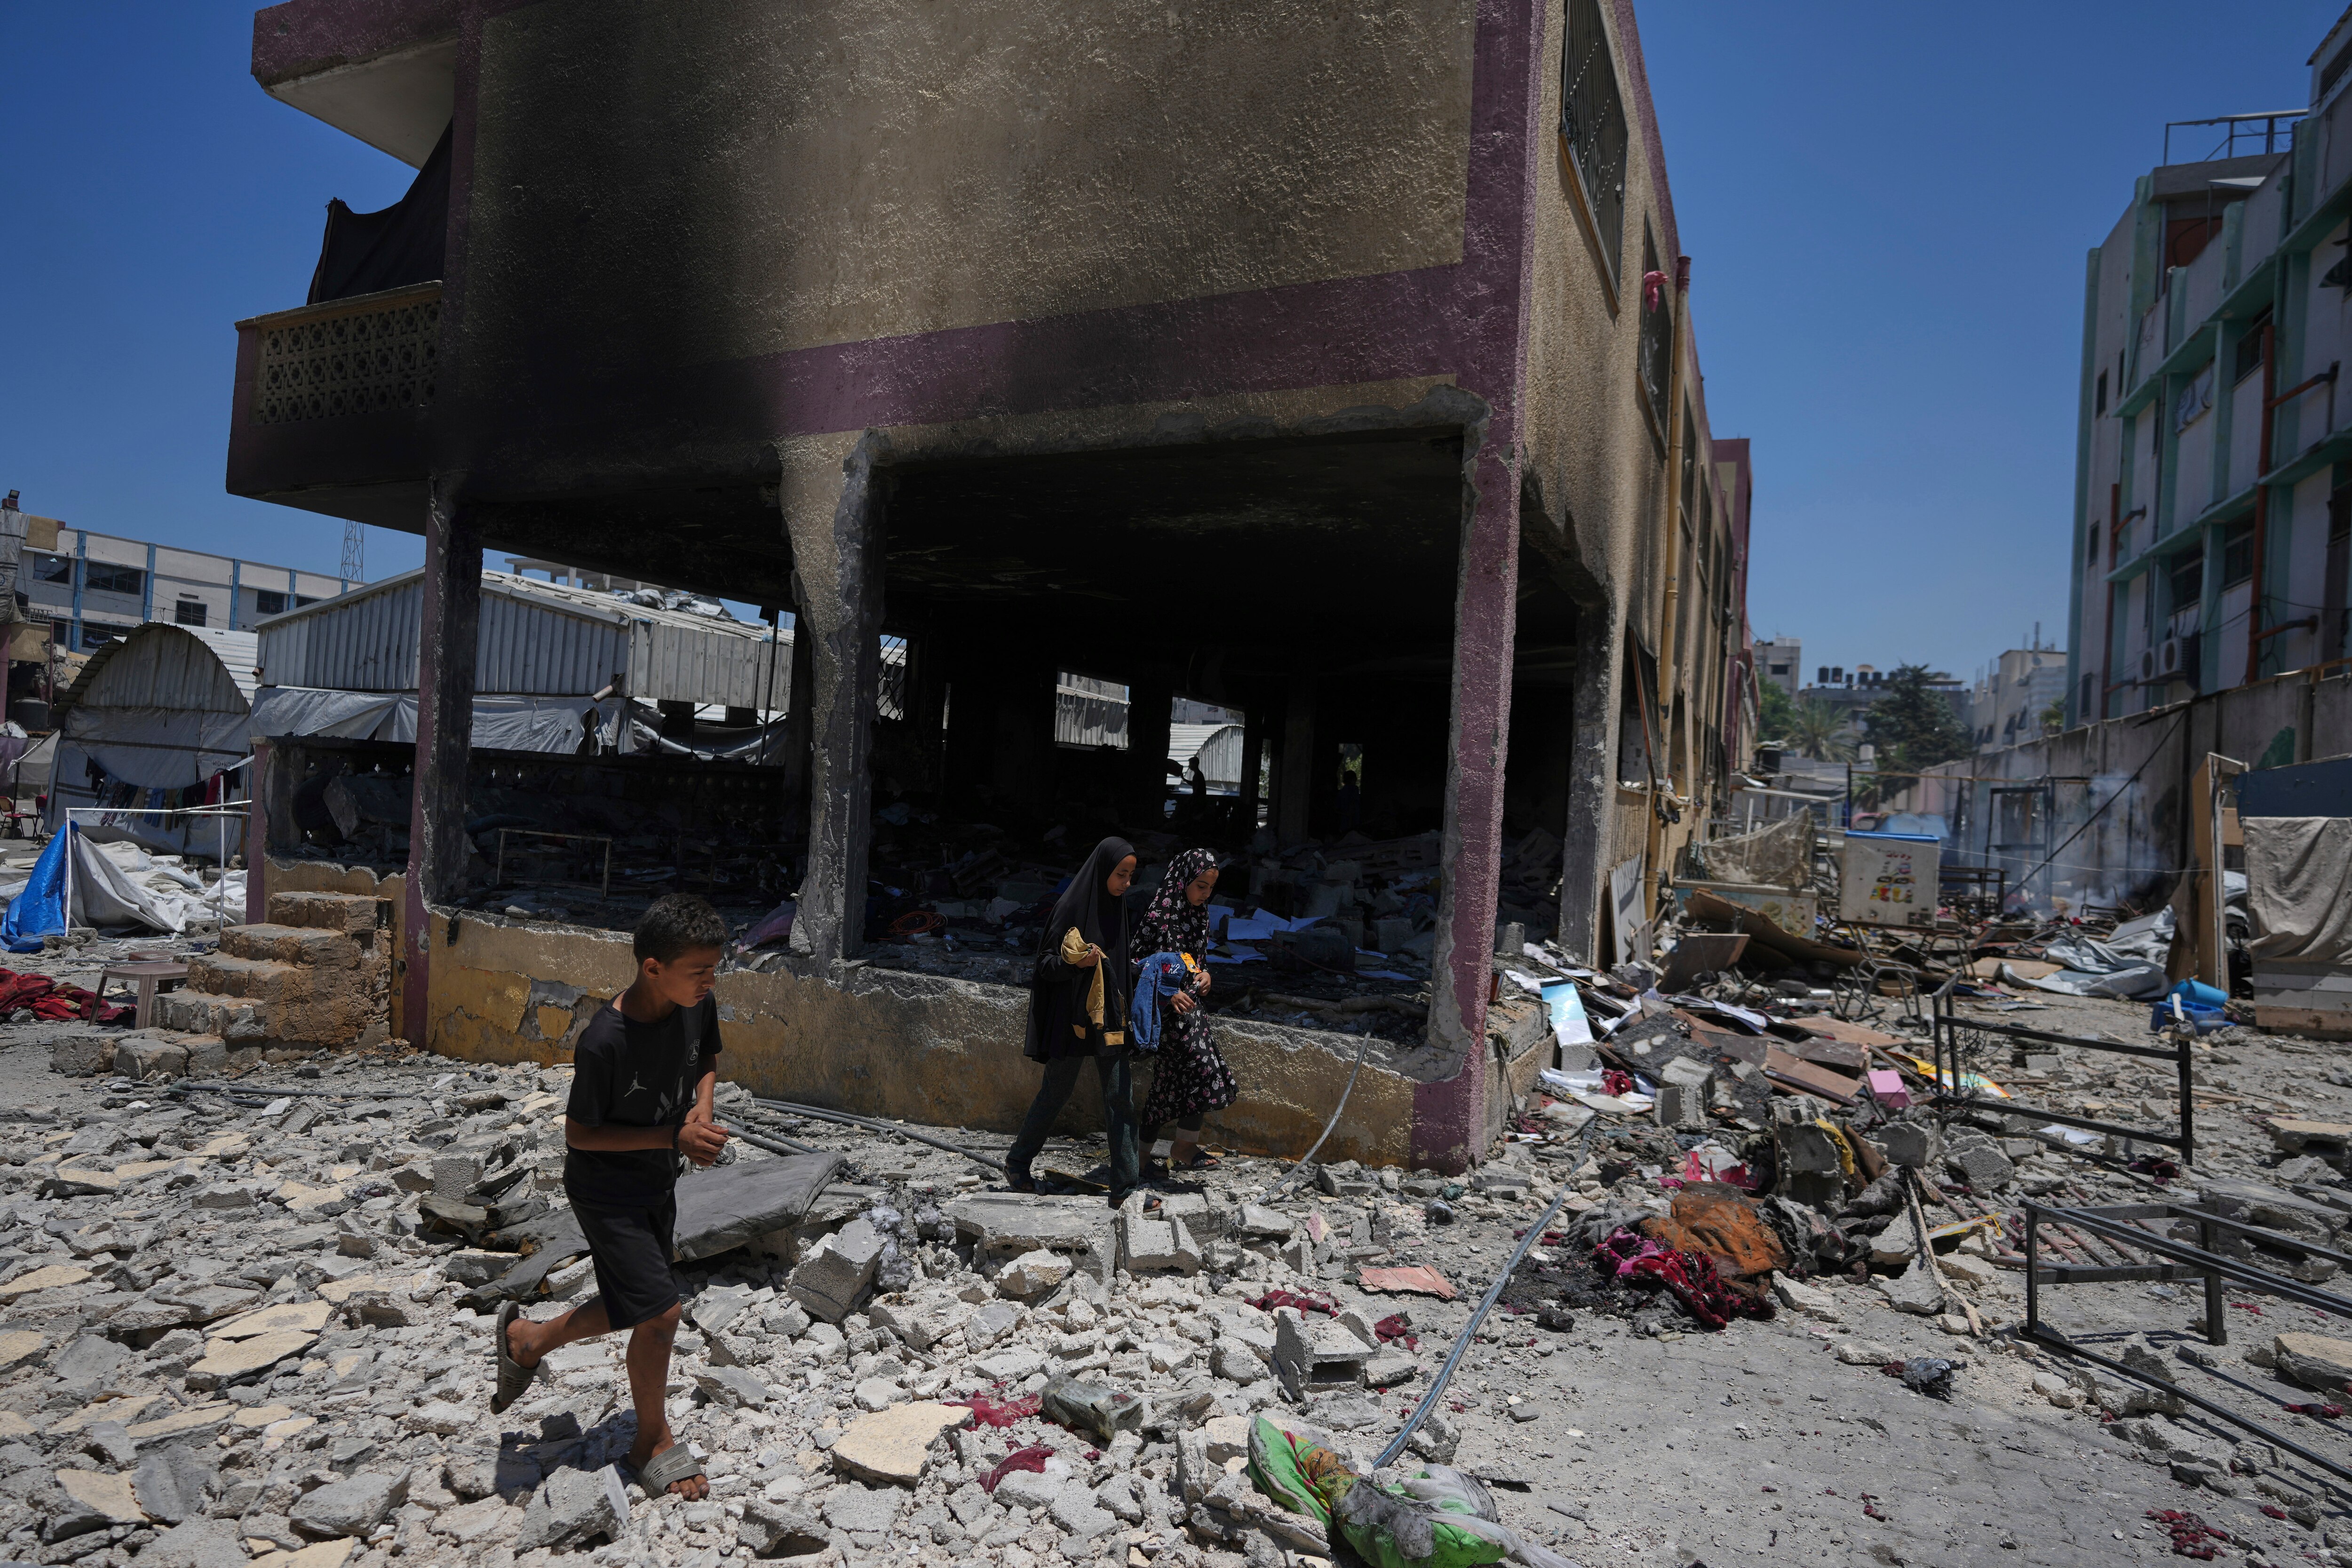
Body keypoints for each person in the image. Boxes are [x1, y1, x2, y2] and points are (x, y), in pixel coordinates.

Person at [491, 893, 731, 1500]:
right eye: (698, 971)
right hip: (605, 1189)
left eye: (714, 969)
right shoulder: (606, 1039)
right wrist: (672, 1134)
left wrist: (700, 1110)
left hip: (657, 1177)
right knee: (661, 1313)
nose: (709, 981)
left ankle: (529, 1340)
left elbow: (706, 1056)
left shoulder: (695, 1005)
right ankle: (650, 1439)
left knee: (638, 1301)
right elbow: (580, 1132)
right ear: (653, 968)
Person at [1005, 836, 1142, 1204]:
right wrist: (1075, 962)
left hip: (1108, 1017)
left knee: (1120, 1096)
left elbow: (1119, 964)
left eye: (1131, 876)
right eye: (1121, 875)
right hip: (1072, 1019)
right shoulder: (1070, 906)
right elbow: (1046, 965)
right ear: (1102, 871)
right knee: (1056, 1091)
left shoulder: (1119, 907)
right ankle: (1017, 1164)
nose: (1126, 883)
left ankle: (1126, 1187)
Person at [1133, 848, 1237, 1171]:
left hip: (1192, 1013)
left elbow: (1197, 960)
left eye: (1210, 888)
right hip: (1165, 1014)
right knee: (1202, 1071)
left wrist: (1205, 976)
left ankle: (1159, 1152)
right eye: (1201, 886)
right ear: (1183, 881)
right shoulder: (1158, 916)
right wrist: (1169, 991)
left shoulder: (1200, 915)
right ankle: (1171, 1149)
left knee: (1170, 1084)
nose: (1206, 894)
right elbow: (1135, 963)